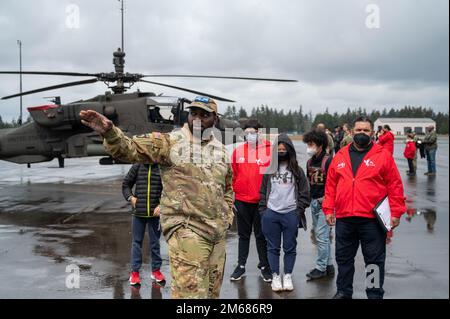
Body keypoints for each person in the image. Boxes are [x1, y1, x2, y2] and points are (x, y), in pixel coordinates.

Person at [80, 96, 234, 299]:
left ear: (215, 119)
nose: (197, 118)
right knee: (191, 298)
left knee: (212, 295)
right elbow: (130, 149)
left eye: (204, 115)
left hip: (217, 235)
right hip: (188, 233)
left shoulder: (221, 150)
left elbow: (228, 187)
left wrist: (227, 215)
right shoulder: (170, 142)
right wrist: (110, 133)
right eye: (193, 113)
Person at [323, 116, 406, 299]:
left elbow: (395, 185)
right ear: (352, 132)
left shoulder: (382, 155)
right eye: (359, 130)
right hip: (345, 218)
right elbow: (330, 185)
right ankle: (344, 291)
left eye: (366, 130)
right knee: (344, 259)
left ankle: (374, 293)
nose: (362, 133)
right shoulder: (340, 156)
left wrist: (397, 212)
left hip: (372, 220)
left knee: (374, 262)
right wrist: (328, 209)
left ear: (372, 133)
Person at [259, 134, 310, 292]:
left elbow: (305, 192)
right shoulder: (269, 170)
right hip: (271, 214)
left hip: (290, 214)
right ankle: (275, 276)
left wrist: (298, 211)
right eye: (278, 149)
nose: (281, 152)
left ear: (289, 150)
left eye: (284, 149)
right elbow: (262, 192)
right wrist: (264, 212)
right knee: (272, 247)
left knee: (290, 247)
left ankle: (287, 275)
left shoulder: (297, 171)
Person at [230, 119, 272, 282]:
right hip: (242, 201)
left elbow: (273, 175)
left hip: (261, 202)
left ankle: (264, 266)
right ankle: (240, 266)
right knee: (244, 235)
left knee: (261, 235)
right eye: (246, 133)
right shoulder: (238, 151)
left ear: (259, 133)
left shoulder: (269, 150)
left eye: (252, 132)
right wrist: (233, 196)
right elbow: (233, 175)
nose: (249, 135)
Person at [122, 163, 165, 286]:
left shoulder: (161, 168)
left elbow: (168, 190)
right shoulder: (137, 166)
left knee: (155, 243)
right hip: (138, 214)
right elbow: (126, 184)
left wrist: (161, 205)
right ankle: (135, 273)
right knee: (136, 243)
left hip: (154, 215)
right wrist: (130, 197)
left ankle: (156, 271)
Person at [302, 130, 335, 280]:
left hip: (326, 203)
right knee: (322, 236)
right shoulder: (309, 162)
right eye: (308, 144)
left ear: (320, 145)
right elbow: (309, 182)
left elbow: (335, 184)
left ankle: (320, 267)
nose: (309, 147)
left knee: (321, 236)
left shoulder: (328, 161)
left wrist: (328, 200)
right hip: (314, 202)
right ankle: (329, 264)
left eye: (311, 144)